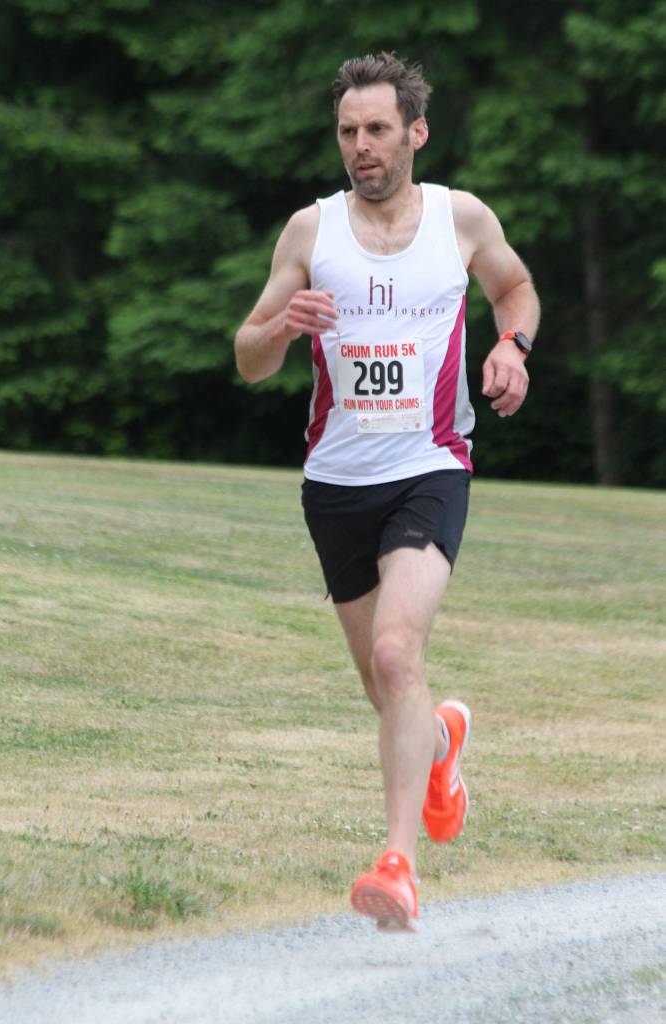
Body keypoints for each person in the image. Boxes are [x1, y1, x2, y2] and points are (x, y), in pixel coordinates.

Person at [234, 52, 540, 932]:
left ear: (414, 131)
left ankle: (397, 865)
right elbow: (249, 359)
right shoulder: (309, 233)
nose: (360, 148)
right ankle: (440, 742)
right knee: (386, 687)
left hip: (430, 466)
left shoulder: (460, 219)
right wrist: (280, 329)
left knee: (399, 655)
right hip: (334, 482)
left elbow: (514, 289)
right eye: (346, 132)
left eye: (375, 130)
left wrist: (509, 348)